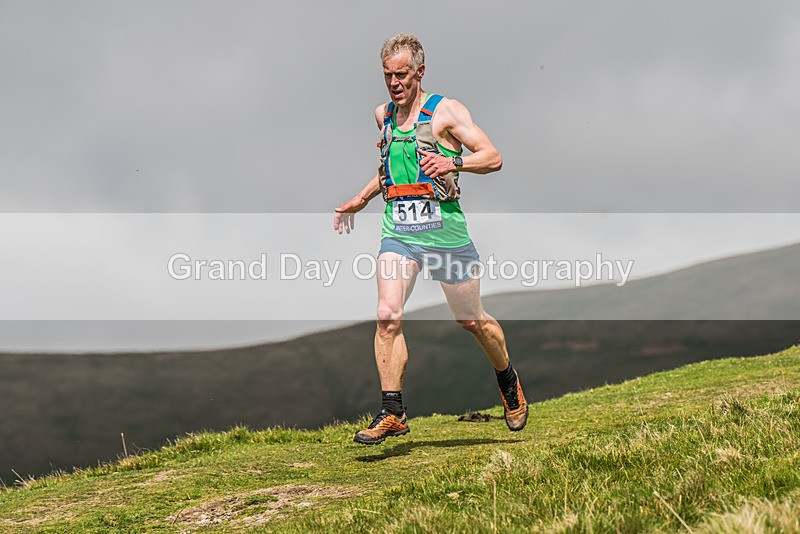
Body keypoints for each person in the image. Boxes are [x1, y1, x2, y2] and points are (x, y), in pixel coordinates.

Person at [333, 33, 528, 445]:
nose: (394, 83)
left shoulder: (447, 112)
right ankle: (392, 412)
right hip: (399, 231)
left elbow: (493, 157)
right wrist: (361, 198)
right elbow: (390, 167)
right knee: (387, 314)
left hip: (445, 233)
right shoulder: (382, 115)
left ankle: (507, 379)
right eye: (387, 75)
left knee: (471, 320)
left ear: (420, 71)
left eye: (402, 74)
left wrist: (453, 160)